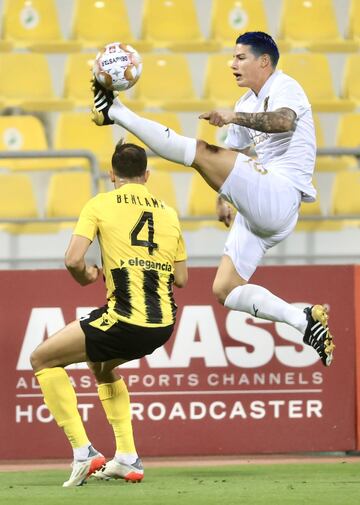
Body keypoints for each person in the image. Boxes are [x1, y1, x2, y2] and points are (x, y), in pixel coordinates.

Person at [91, 31, 335, 368]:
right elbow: (236, 152)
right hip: (262, 212)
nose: (231, 64)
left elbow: (284, 121)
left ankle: (116, 112)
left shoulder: (284, 86)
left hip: (281, 193)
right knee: (226, 289)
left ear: (264, 61)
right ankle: (303, 319)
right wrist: (227, 196)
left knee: (200, 153)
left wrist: (233, 119)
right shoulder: (247, 102)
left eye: (240, 57)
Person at [30, 141, 188, 487]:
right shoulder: (168, 212)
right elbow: (182, 278)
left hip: (126, 317)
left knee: (42, 359)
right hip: (162, 324)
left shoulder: (100, 204)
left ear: (111, 173)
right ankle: (127, 458)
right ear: (147, 175)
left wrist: (88, 275)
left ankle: (83, 452)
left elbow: (73, 259)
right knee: (102, 368)